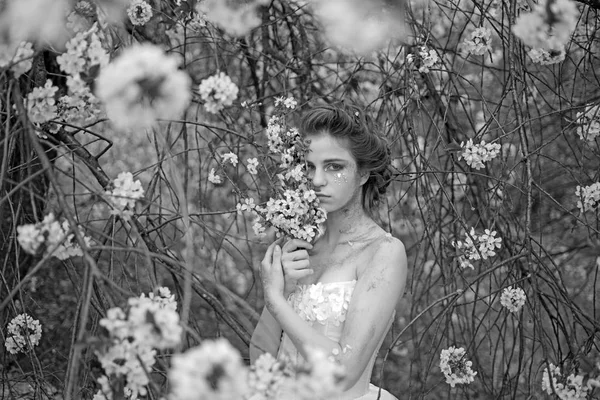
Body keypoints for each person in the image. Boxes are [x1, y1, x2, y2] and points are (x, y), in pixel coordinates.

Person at [250, 104, 408, 400]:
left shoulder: (384, 252)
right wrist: (280, 290)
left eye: (334, 166)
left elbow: (343, 373)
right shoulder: (300, 244)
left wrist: (275, 299)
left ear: (363, 173)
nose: (318, 180)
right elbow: (261, 355)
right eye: (310, 166)